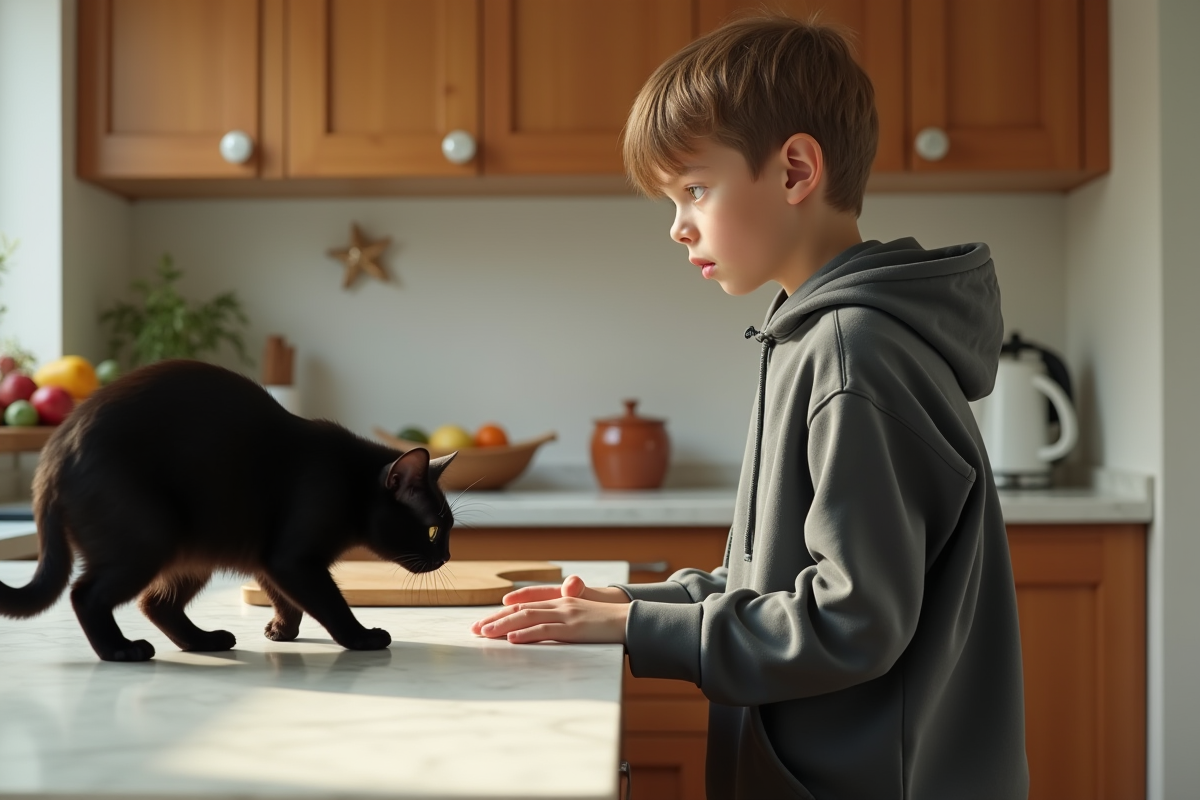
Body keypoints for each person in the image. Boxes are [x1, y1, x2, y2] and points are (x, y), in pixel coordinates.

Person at [472, 14, 1028, 800]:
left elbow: (851, 621)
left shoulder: (853, 352)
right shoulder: (808, 335)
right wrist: (632, 605)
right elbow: (769, 586)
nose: (677, 225)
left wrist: (637, 630)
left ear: (797, 169)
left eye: (695, 188)